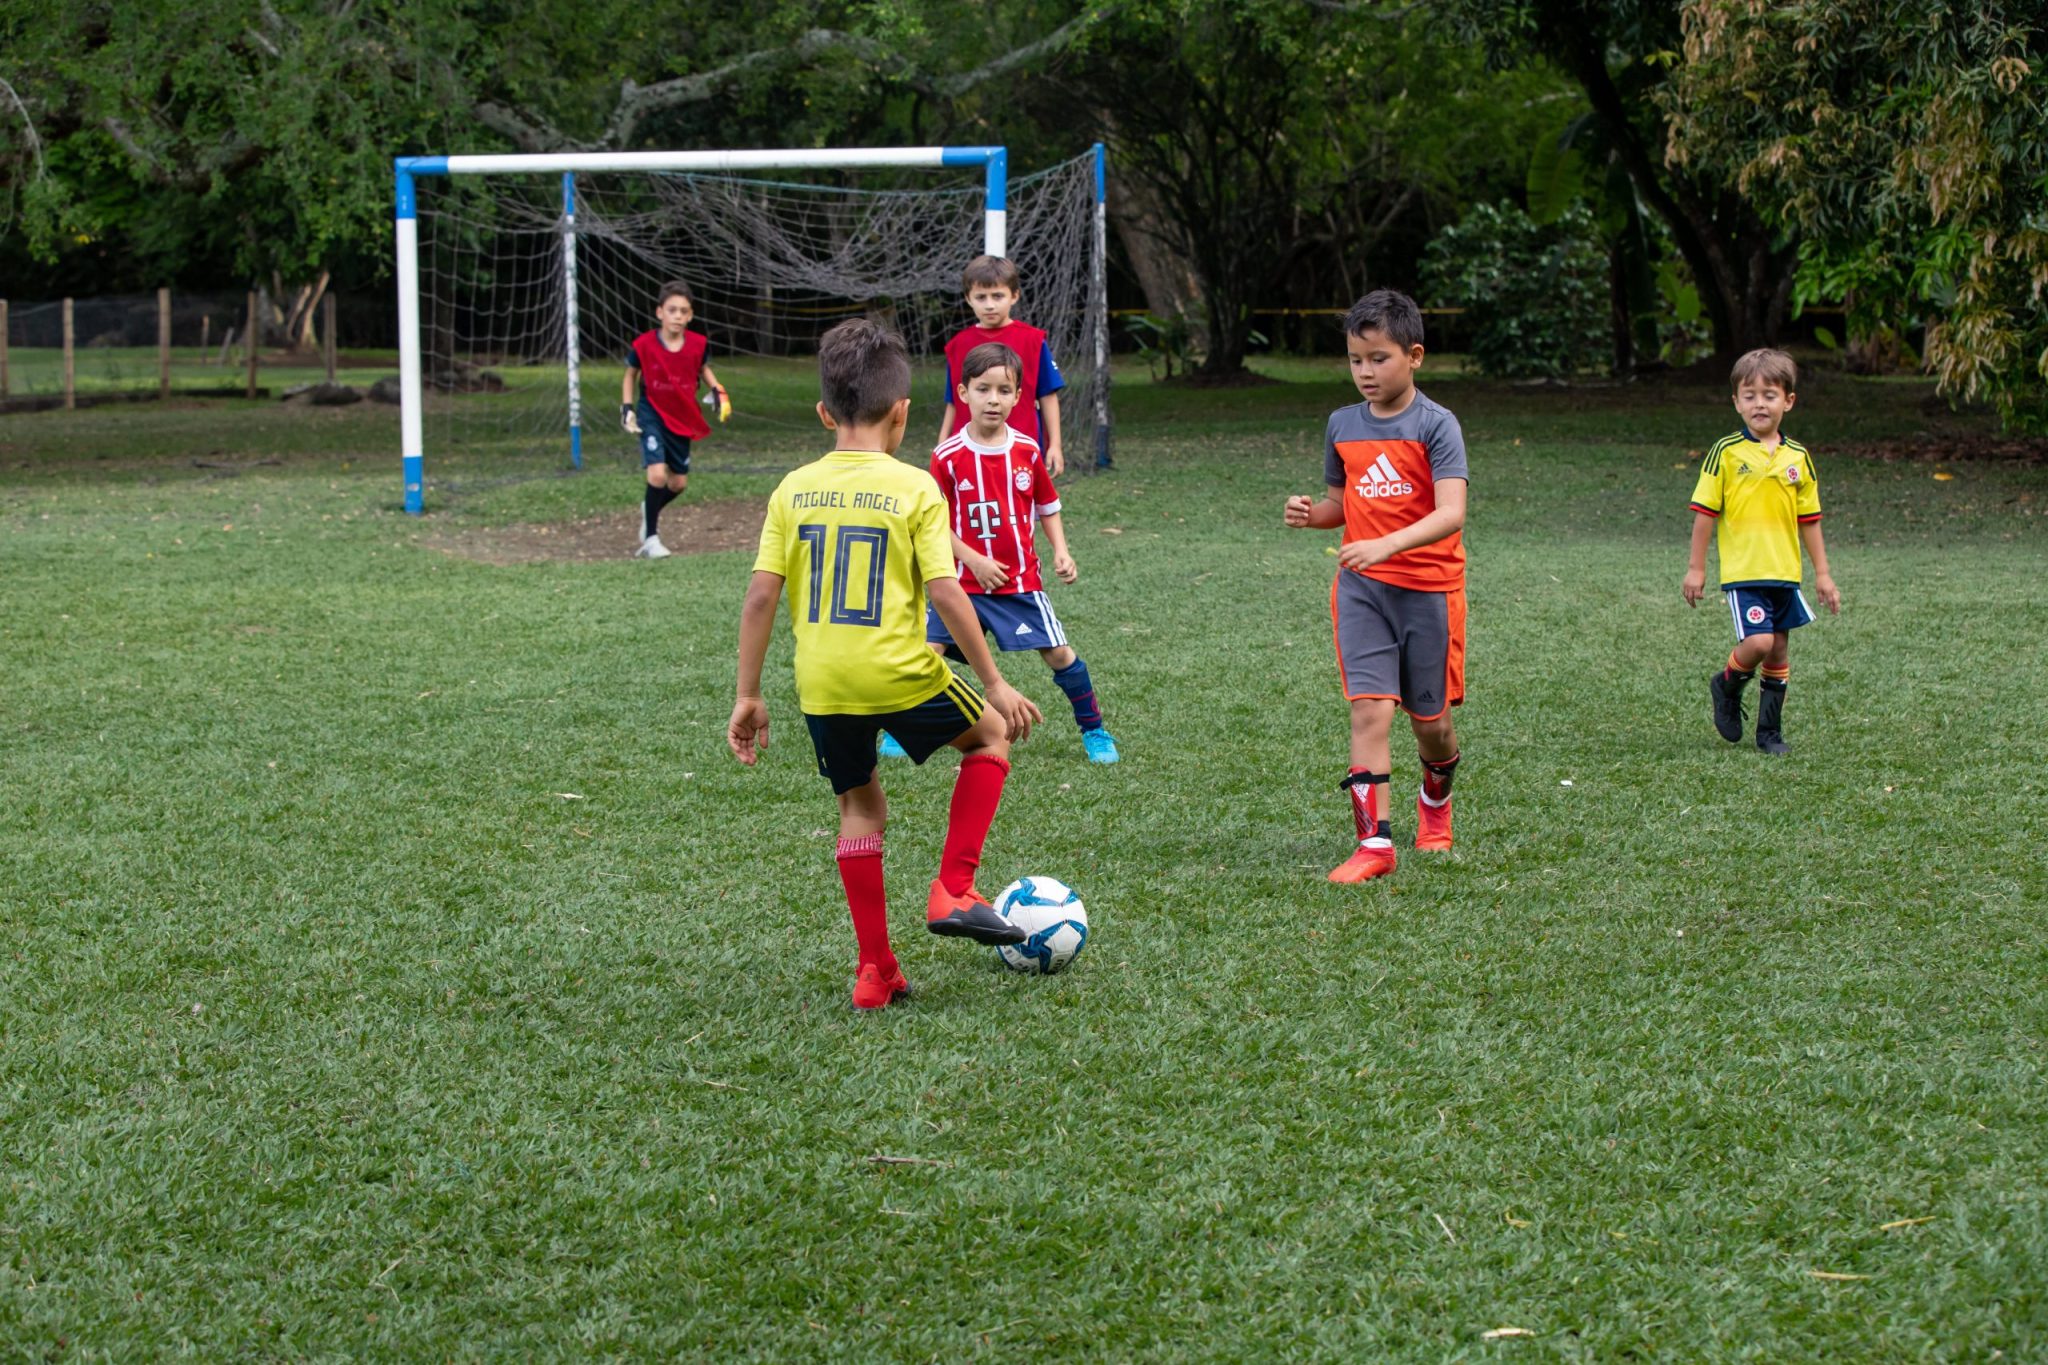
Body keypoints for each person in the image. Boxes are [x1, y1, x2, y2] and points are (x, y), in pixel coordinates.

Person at [728, 318, 1044, 1011]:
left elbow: (759, 596)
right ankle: (954, 887)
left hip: (823, 684)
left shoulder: (792, 488)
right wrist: (994, 680)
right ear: (902, 412)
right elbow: (945, 590)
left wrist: (749, 694)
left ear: (822, 413)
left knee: (860, 806)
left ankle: (875, 971)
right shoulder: (915, 487)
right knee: (990, 735)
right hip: (901, 670)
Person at [1283, 289, 1468, 883]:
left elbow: (1451, 512)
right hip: (1361, 589)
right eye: (1355, 359)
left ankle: (1434, 808)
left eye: (1379, 358)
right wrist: (1312, 514)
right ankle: (1375, 846)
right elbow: (1341, 503)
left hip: (1429, 590)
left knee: (1430, 722)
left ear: (1414, 355)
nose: (1365, 371)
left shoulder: (1437, 425)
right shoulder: (1341, 424)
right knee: (1369, 712)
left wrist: (1387, 543)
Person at [881, 342, 1120, 764]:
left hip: (1019, 583)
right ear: (963, 392)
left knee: (1060, 654)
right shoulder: (947, 457)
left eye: (1004, 390)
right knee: (924, 654)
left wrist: (1061, 551)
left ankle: (1094, 730)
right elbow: (931, 525)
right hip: (961, 585)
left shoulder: (1027, 450)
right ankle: (903, 729)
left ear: (1017, 396)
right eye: (983, 389)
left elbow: (1048, 506)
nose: (994, 399)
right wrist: (972, 558)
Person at [1682, 348, 1841, 754]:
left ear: (1788, 401)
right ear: (1736, 401)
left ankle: (1769, 733)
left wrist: (1822, 574)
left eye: (1769, 395)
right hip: (1744, 572)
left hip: (1785, 572)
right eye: (1749, 395)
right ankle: (1727, 684)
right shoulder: (1726, 452)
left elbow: (1810, 520)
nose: (1759, 403)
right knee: (1759, 643)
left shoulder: (1798, 458)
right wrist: (1696, 569)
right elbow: (1705, 515)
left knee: (1780, 649)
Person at [622, 280, 729, 559]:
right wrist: (627, 407)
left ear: (690, 315)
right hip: (652, 413)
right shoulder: (644, 345)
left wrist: (718, 392)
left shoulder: (697, 345)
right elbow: (630, 373)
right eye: (672, 310)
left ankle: (650, 509)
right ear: (660, 313)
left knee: (678, 483)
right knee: (657, 474)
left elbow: (704, 370)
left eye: (683, 311)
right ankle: (651, 540)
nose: (678, 316)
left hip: (682, 417)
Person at [937, 255, 1067, 476]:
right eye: (981, 297)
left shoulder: (1033, 341)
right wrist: (942, 442)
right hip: (968, 451)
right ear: (968, 299)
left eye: (997, 296)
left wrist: (1055, 445)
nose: (989, 305)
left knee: (1022, 508)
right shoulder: (957, 345)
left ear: (1014, 295)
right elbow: (953, 402)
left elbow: (1048, 396)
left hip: (1021, 448)